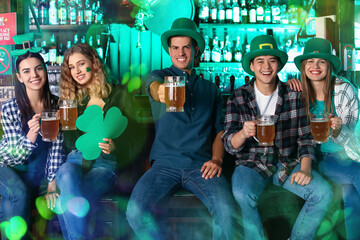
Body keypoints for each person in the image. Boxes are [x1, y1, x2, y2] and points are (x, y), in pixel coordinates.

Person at [126, 17, 236, 240]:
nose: (181, 53)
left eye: (186, 47)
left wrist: (217, 160)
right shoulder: (159, 76)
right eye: (175, 47)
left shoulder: (211, 89)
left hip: (201, 166)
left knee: (227, 214)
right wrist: (168, 92)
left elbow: (219, 131)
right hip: (164, 165)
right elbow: (155, 89)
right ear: (169, 50)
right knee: (134, 214)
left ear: (195, 49)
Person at [222, 35, 333, 240]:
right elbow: (229, 144)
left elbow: (305, 138)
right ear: (252, 66)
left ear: (279, 65)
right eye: (260, 61)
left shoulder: (293, 93)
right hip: (252, 164)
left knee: (323, 193)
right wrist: (242, 133)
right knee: (242, 193)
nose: (266, 66)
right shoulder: (238, 97)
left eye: (272, 60)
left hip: (287, 163)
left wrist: (306, 168)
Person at [56, 43, 134, 239]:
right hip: (75, 160)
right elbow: (69, 142)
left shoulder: (118, 94)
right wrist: (61, 123)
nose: (77, 71)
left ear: (94, 63)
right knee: (65, 173)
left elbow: (134, 135)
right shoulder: (71, 99)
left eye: (81, 64)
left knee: (70, 200)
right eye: (72, 67)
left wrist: (116, 145)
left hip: (104, 163)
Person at [287, 37, 360, 240]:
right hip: (314, 159)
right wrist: (286, 86)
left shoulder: (344, 89)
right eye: (310, 61)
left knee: (352, 195)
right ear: (303, 66)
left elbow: (352, 136)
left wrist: (338, 130)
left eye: (321, 62)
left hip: (343, 155)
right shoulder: (297, 91)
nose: (315, 66)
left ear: (329, 65)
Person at [0, 33, 64, 239]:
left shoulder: (57, 105)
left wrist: (52, 183)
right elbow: (12, 156)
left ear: (45, 70)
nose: (33, 75)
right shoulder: (10, 108)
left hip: (38, 171)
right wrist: (31, 134)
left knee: (52, 202)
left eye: (38, 68)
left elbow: (56, 147)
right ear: (19, 77)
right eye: (26, 71)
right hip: (6, 166)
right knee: (18, 194)